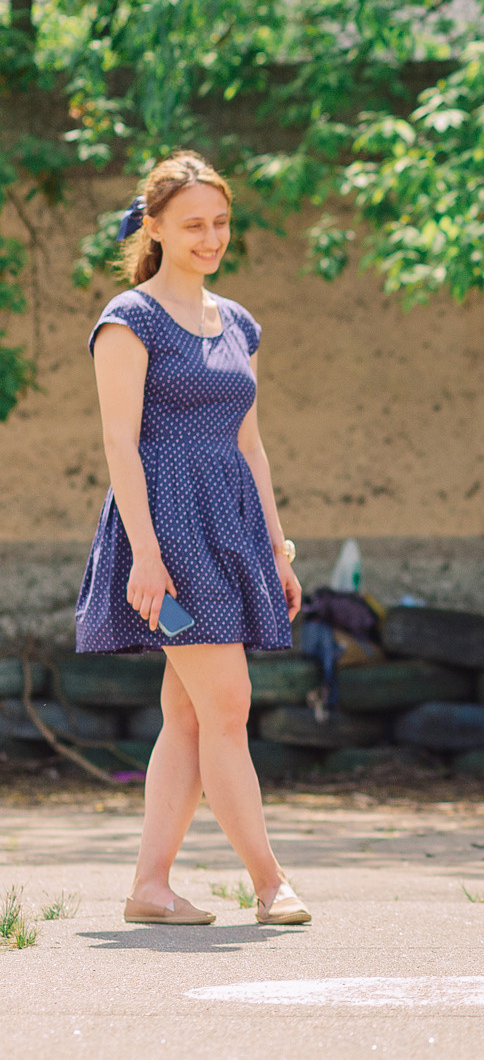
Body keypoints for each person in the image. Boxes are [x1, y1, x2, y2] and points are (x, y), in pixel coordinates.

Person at [77, 150, 310, 927]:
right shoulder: (128, 319)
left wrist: (277, 547)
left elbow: (251, 446)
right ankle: (270, 882)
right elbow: (120, 443)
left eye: (220, 222)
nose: (210, 238)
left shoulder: (236, 322)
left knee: (189, 714)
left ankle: (151, 886)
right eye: (192, 225)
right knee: (228, 705)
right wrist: (145, 552)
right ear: (154, 227)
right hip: (166, 536)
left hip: (231, 530)